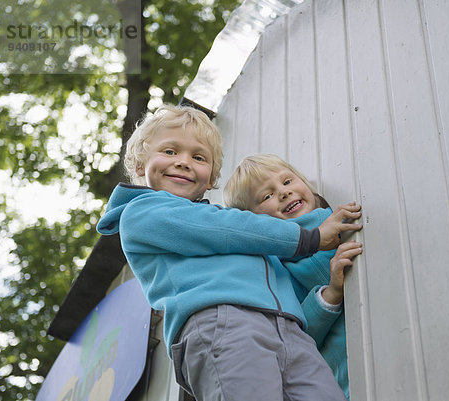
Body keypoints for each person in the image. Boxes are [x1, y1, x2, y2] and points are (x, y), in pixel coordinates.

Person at [96, 104, 362, 401]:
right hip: (222, 323)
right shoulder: (142, 213)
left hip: (290, 330)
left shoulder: (232, 228)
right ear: (140, 166)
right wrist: (311, 236)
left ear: (210, 179)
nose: (184, 162)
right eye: (170, 152)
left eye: (198, 157)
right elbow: (224, 228)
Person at [223, 154, 362, 399]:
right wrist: (331, 294)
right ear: (255, 224)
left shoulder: (343, 215)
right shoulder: (273, 270)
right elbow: (291, 338)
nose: (283, 192)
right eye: (267, 196)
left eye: (287, 182)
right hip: (348, 381)